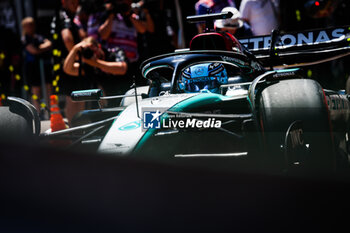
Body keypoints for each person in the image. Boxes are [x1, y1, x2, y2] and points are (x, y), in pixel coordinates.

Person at [63, 36, 128, 107]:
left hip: (124, 98)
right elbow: (68, 69)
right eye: (88, 49)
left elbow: (122, 69)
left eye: (92, 47)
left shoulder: (114, 52)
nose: (92, 52)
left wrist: (96, 63)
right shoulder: (89, 65)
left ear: (98, 46)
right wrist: (74, 49)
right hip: (106, 106)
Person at [50, 0, 83, 125]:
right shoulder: (64, 16)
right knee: (73, 97)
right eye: (72, 1)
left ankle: (77, 127)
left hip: (65, 62)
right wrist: (78, 57)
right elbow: (67, 39)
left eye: (76, 1)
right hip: (68, 63)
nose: (75, 3)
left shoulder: (65, 15)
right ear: (64, 2)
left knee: (78, 95)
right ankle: (75, 128)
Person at [21, 17, 52, 114]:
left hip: (44, 66)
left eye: (32, 24)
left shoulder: (38, 37)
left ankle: (50, 110)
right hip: (32, 67)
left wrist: (39, 49)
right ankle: (37, 113)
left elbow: (49, 43)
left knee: (48, 88)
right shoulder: (24, 39)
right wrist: (41, 49)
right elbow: (33, 50)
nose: (30, 27)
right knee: (36, 90)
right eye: (28, 25)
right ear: (24, 27)